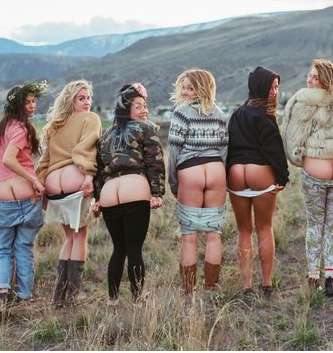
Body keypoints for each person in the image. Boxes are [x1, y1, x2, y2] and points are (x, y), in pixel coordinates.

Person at [282, 59, 333, 297]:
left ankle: (315, 276)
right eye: (309, 75)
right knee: (331, 226)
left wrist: (302, 161)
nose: (309, 80)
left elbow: (293, 141)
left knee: (316, 224)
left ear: (324, 79)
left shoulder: (304, 101)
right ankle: (330, 277)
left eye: (314, 77)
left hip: (317, 175)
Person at [94, 82, 165, 306]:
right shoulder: (146, 128)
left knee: (118, 249)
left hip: (108, 193)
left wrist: (97, 199)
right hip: (134, 188)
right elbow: (155, 162)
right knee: (134, 248)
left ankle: (112, 299)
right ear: (127, 109)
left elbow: (99, 170)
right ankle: (136, 299)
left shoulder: (105, 136)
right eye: (138, 107)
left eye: (145, 106)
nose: (144, 110)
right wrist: (157, 192)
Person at [0, 81, 47, 307]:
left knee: (5, 250)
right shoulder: (20, 129)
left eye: (33, 101)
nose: (32, 105)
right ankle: (25, 296)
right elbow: (8, 158)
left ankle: (2, 294)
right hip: (26, 198)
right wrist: (34, 179)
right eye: (27, 102)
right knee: (23, 248)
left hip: (5, 199)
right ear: (16, 105)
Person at [36, 80, 102, 306]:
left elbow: (45, 162)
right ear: (71, 100)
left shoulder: (55, 124)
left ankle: (59, 296)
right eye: (81, 98)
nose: (87, 102)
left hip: (55, 189)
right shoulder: (91, 118)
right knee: (80, 236)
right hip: (76, 186)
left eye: (89, 98)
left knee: (69, 237)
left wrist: (41, 188)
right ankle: (73, 296)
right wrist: (89, 176)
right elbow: (87, 149)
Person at [226, 66, 289, 299]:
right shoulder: (266, 114)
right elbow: (273, 149)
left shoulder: (237, 114)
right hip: (259, 171)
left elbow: (229, 147)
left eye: (276, 86)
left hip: (235, 172)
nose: (275, 91)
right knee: (264, 228)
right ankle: (266, 284)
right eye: (272, 86)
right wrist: (282, 176)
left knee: (243, 230)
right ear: (261, 86)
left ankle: (246, 285)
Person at [168, 69, 228, 294]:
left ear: (202, 88)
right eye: (183, 86)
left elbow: (174, 150)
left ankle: (188, 291)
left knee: (189, 236)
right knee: (214, 234)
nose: (184, 91)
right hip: (215, 170)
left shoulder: (181, 112)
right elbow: (224, 150)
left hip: (190, 170)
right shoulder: (219, 113)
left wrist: (174, 183)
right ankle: (211, 287)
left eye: (190, 87)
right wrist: (222, 178)